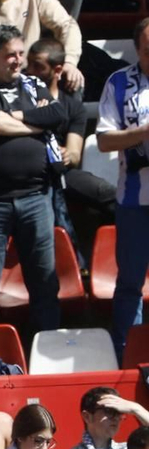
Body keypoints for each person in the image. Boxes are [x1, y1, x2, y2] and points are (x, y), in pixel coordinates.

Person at [0, 26, 66, 330]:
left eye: (21, 53)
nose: (18, 61)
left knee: (45, 285)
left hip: (36, 198)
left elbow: (57, 116)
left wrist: (12, 119)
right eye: (9, 55)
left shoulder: (33, 84)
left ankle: (46, 352)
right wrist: (34, 121)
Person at [98, 20, 149, 351]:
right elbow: (103, 139)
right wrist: (145, 132)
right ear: (137, 49)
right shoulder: (119, 83)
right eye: (148, 50)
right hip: (135, 201)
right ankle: (128, 354)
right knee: (130, 283)